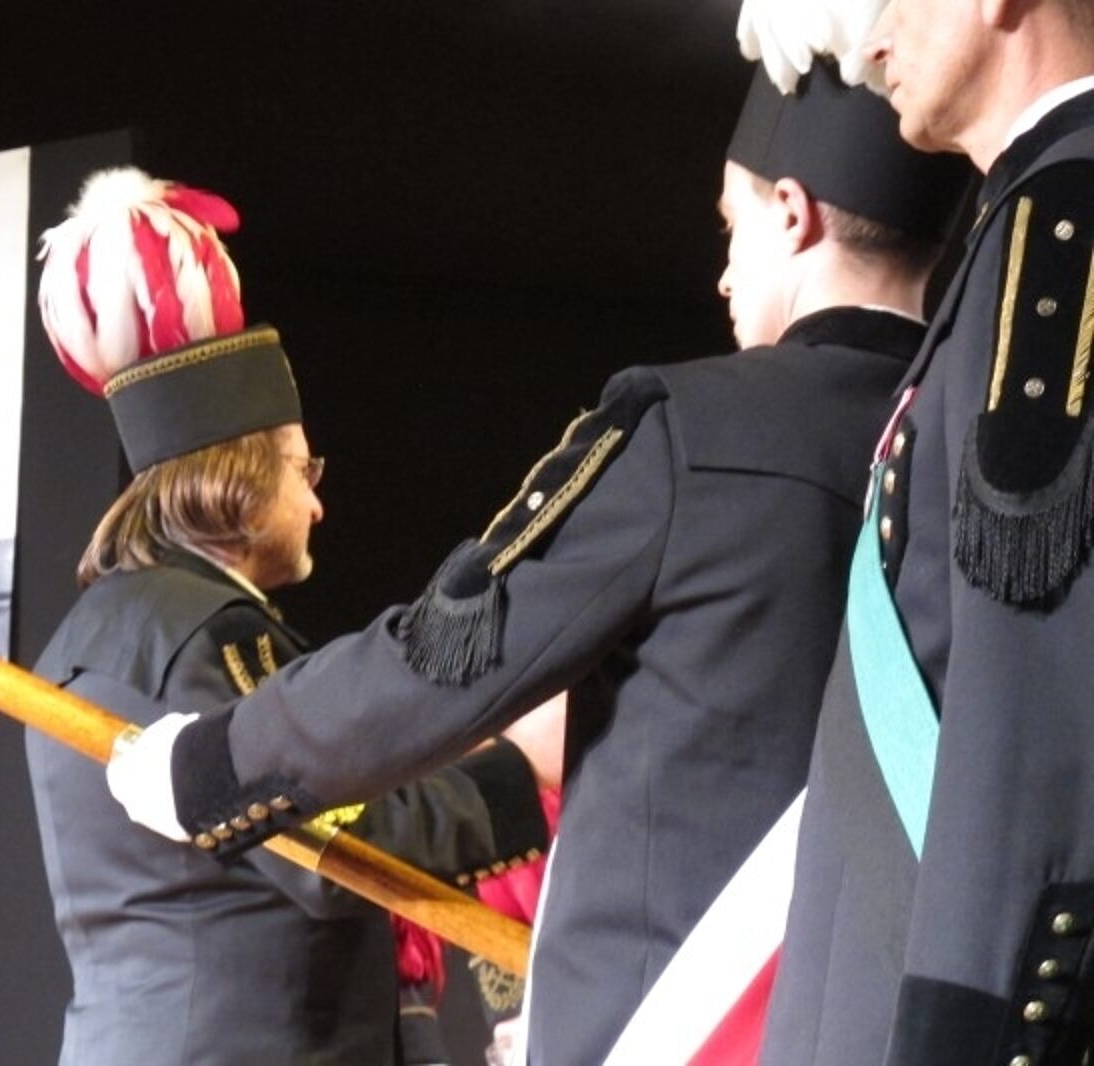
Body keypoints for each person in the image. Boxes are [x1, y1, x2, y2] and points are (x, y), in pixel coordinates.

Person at [105, 60, 973, 1064]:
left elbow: (448, 651)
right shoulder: (986, 447)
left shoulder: (691, 430)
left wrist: (212, 765)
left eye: (730, 226)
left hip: (681, 1028)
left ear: (792, 213)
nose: (723, 275)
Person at [23, 167, 555, 1066]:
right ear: (238, 476)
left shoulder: (98, 633)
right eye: (302, 470)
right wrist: (522, 773)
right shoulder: (208, 634)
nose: (315, 503)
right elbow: (334, 843)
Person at [738, 1, 1094, 1063]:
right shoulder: (1020, 219)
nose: (869, 38)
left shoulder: (1061, 222)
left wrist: (965, 1025)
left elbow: (1029, 702)